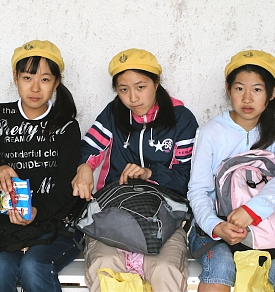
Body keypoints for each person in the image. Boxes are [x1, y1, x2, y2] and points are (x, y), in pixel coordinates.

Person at [72, 48, 199, 292]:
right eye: (123, 89)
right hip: (111, 214)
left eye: (141, 87)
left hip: (166, 218)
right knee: (104, 265)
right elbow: (90, 147)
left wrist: (151, 173)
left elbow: (186, 179)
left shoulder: (181, 119)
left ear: (157, 82)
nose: (132, 97)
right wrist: (84, 167)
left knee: (165, 270)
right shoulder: (113, 114)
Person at [188, 50, 275, 292]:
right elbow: (198, 190)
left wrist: (252, 210)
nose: (247, 98)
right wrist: (215, 226)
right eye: (240, 88)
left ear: (271, 94)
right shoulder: (211, 132)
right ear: (228, 89)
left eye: (257, 89)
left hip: (267, 226)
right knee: (220, 270)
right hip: (216, 227)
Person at [0, 39, 85, 292]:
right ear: (15, 77)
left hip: (57, 227)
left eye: (45, 80)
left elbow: (66, 189)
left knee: (33, 267)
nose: (35, 88)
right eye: (27, 78)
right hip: (9, 226)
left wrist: (37, 212)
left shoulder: (67, 127)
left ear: (57, 82)